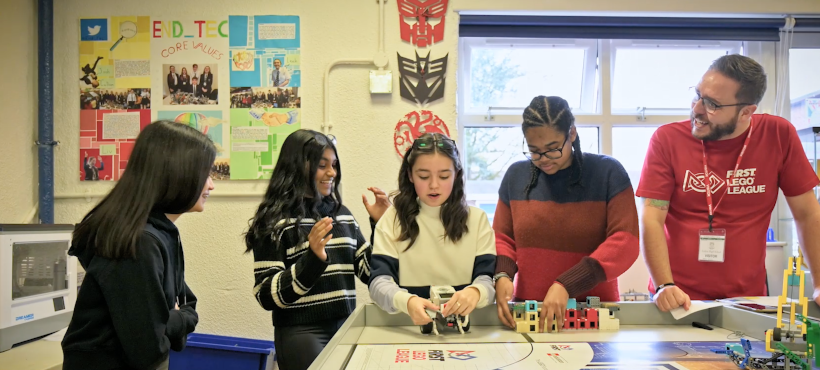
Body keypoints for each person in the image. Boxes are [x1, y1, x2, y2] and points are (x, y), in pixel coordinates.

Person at [635, 54, 820, 312]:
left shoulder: (778, 135)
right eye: (697, 95)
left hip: (748, 299)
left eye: (712, 104)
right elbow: (652, 218)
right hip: (676, 297)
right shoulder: (668, 140)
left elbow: (807, 214)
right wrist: (663, 285)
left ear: (747, 111)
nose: (697, 109)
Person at [62, 121, 216, 370]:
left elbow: (187, 305)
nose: (211, 185)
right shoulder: (140, 243)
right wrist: (173, 319)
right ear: (177, 173)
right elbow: (149, 347)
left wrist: (170, 319)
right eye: (206, 174)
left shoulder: (160, 233)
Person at [493, 96, 639, 332]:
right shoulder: (516, 176)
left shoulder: (607, 173)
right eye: (534, 151)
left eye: (552, 149)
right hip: (529, 313)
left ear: (572, 133)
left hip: (592, 315)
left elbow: (625, 241)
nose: (543, 159)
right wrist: (502, 274)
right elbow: (502, 237)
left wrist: (567, 285)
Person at [244, 129, 388, 370]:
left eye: (334, 165)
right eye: (322, 166)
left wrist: (380, 227)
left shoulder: (343, 215)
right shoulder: (274, 221)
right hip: (301, 333)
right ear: (298, 167)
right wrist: (312, 260)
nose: (332, 173)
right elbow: (265, 294)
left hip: (346, 328)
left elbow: (370, 273)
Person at [369, 133, 497, 328]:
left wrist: (476, 292)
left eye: (444, 176)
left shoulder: (477, 220)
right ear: (410, 175)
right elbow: (379, 283)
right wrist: (407, 301)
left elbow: (487, 279)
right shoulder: (392, 219)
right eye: (424, 176)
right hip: (408, 326)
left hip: (466, 328)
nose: (434, 185)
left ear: (457, 174)